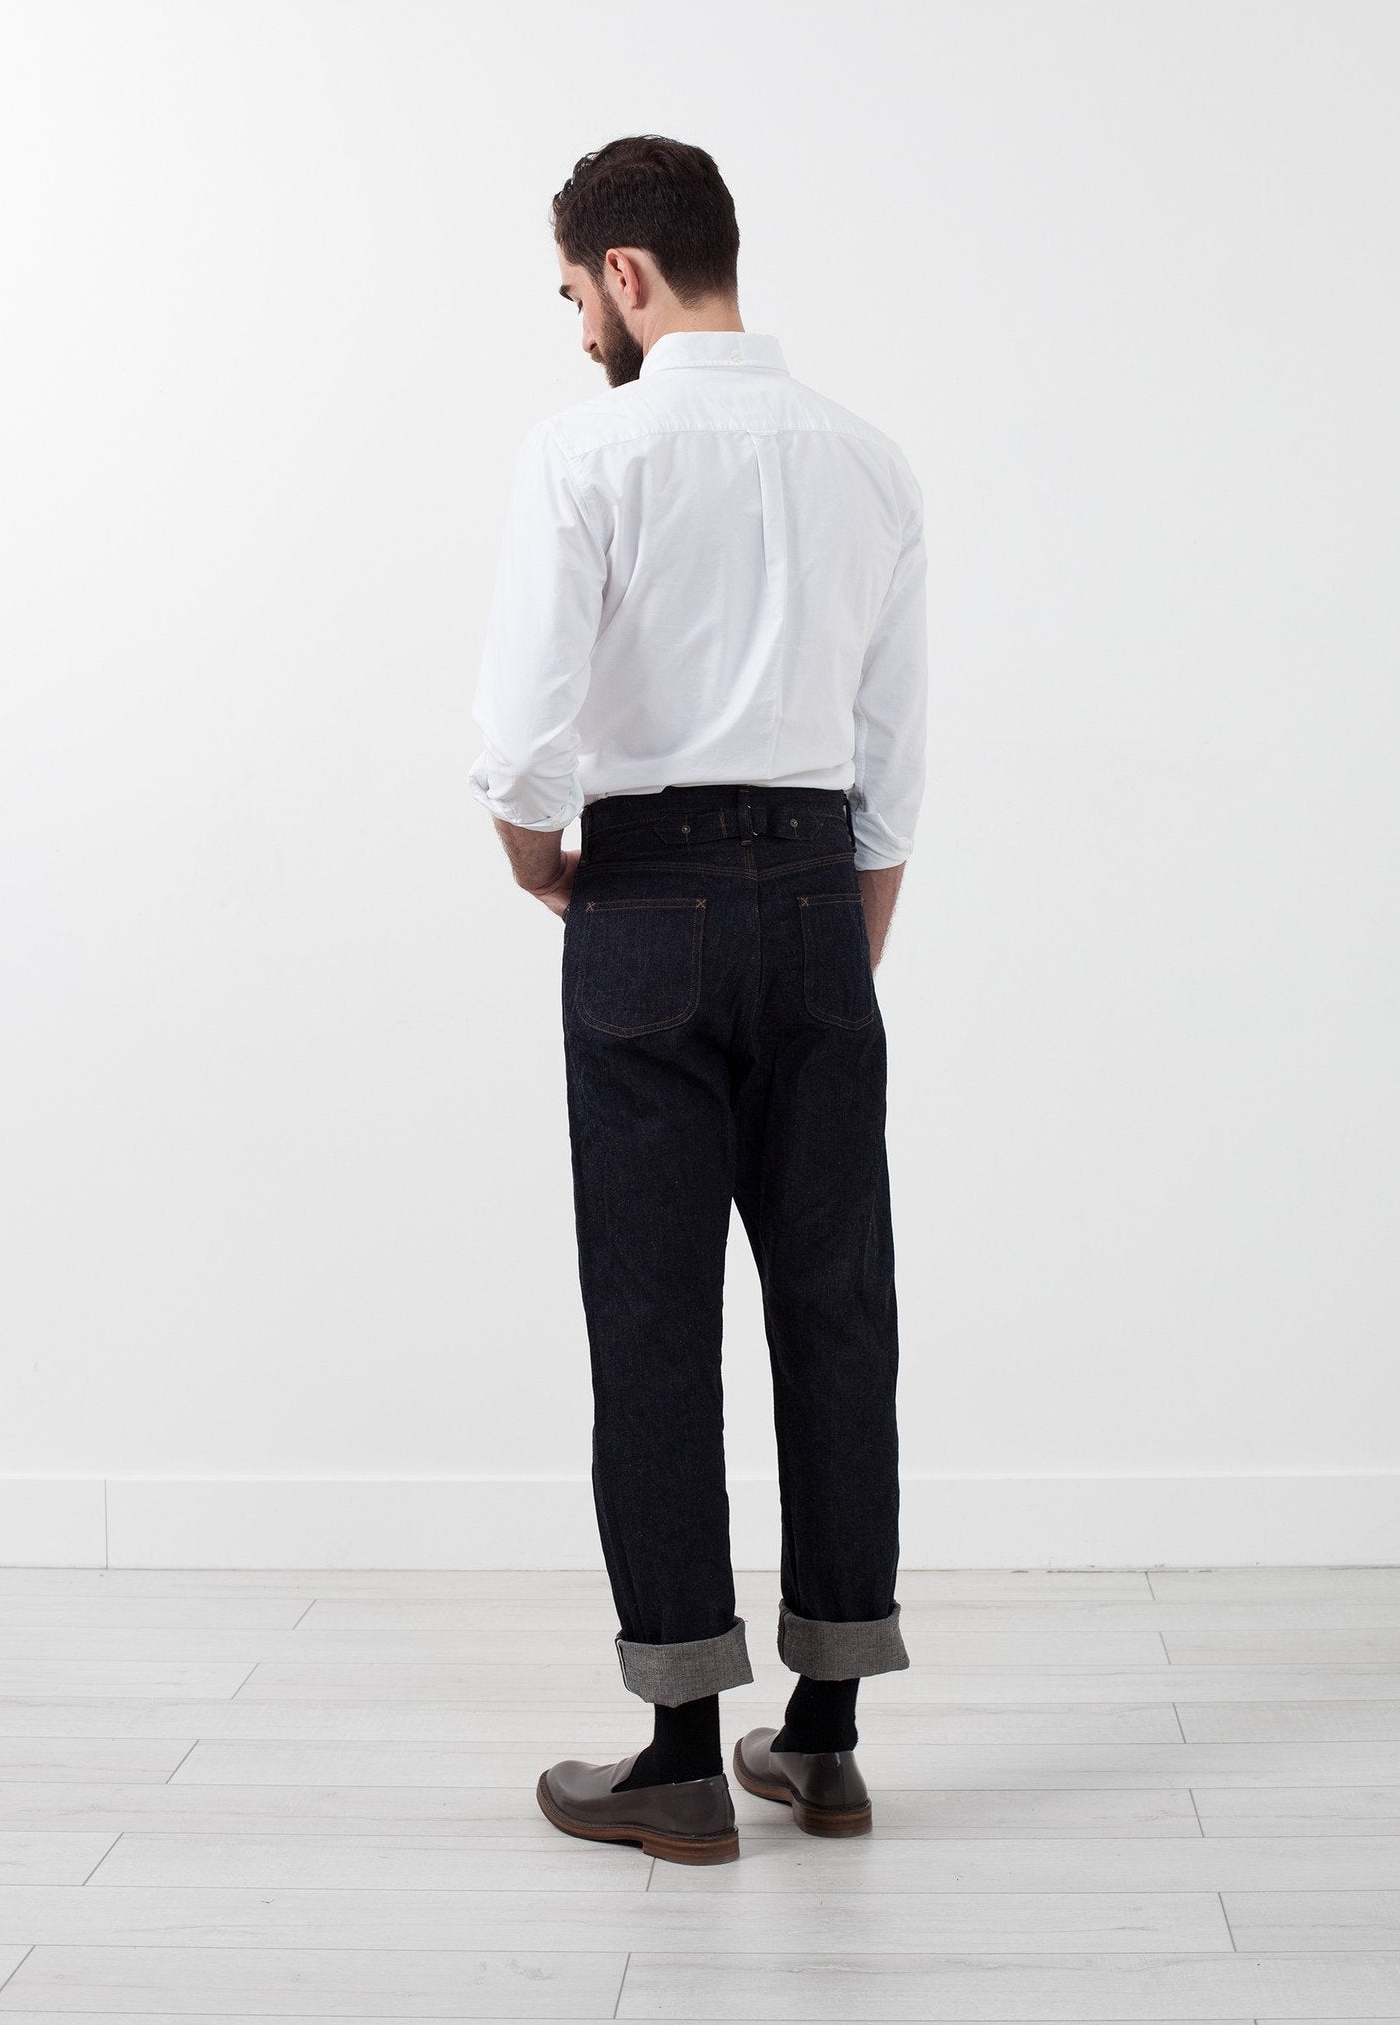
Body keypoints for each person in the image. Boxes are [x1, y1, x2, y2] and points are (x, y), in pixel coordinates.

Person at [467, 134, 927, 1865]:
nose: (578, 324)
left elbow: (522, 735)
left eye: (574, 292)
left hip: (644, 898)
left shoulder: (587, 451)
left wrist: (542, 862)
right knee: (837, 1308)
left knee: (655, 1320)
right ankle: (826, 1739)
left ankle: (675, 1755)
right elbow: (892, 755)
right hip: (817, 896)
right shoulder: (867, 460)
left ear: (629, 274)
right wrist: (836, 937)